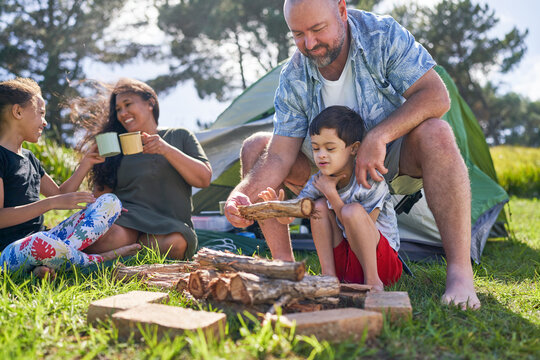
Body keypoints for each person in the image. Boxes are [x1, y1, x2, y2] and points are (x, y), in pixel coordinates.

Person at [225, 0, 480, 309]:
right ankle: (286, 275)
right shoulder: (294, 75)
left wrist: (378, 136)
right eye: (298, 34)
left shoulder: (382, 36)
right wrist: (242, 196)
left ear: (342, 10)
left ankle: (460, 272)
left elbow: (436, 96)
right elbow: (279, 156)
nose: (309, 43)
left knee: (437, 133)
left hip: (393, 160)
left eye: (318, 29)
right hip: (332, 170)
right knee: (255, 146)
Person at [0, 77, 140, 279]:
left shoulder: (29, 158)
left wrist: (86, 164)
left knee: (110, 202)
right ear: (18, 112)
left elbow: (59, 194)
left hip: (49, 240)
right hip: (11, 251)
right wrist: (49, 204)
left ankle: (52, 263)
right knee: (39, 243)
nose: (45, 121)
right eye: (40, 113)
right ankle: (100, 260)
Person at [260, 106, 402, 290]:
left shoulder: (369, 180)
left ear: (354, 149)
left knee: (352, 211)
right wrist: (281, 211)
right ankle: (329, 276)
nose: (321, 155)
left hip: (381, 264)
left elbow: (361, 227)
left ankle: (374, 283)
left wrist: (331, 194)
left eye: (330, 148)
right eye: (316, 148)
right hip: (347, 266)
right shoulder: (318, 180)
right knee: (318, 206)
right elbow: (296, 211)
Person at [78, 78, 212, 260]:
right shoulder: (115, 146)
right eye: (118, 109)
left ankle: (123, 253)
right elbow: (101, 197)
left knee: (177, 244)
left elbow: (203, 179)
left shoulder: (178, 136)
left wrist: (165, 149)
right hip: (126, 221)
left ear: (150, 103)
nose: (123, 113)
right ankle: (121, 252)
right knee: (109, 239)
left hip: (169, 224)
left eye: (128, 104)